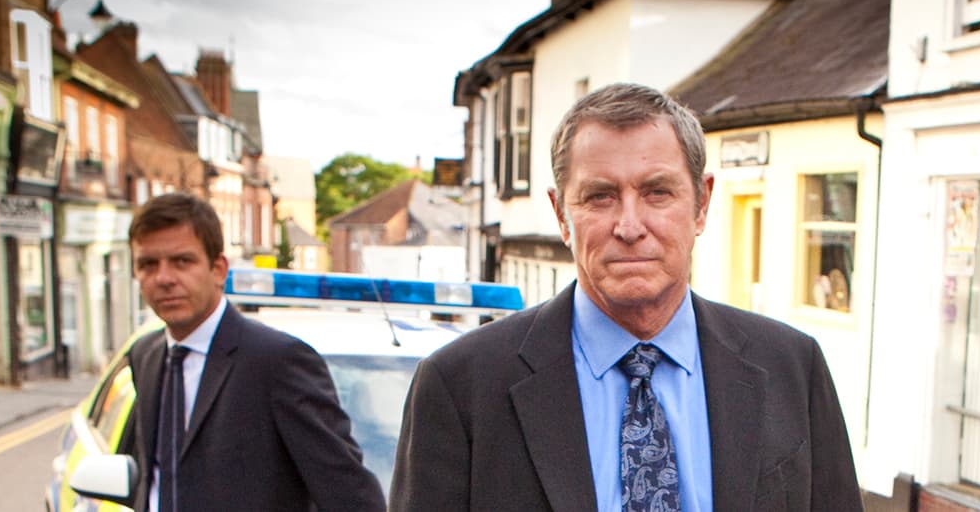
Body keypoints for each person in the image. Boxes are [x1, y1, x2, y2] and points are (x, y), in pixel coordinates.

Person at [390, 82, 862, 511]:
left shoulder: (792, 367)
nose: (630, 226)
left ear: (701, 204)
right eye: (600, 196)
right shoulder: (462, 386)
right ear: (561, 214)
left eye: (657, 193)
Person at [123, 192, 385, 511]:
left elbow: (352, 497)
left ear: (218, 269)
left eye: (182, 261)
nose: (164, 278)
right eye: (148, 264)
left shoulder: (278, 362)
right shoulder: (145, 356)